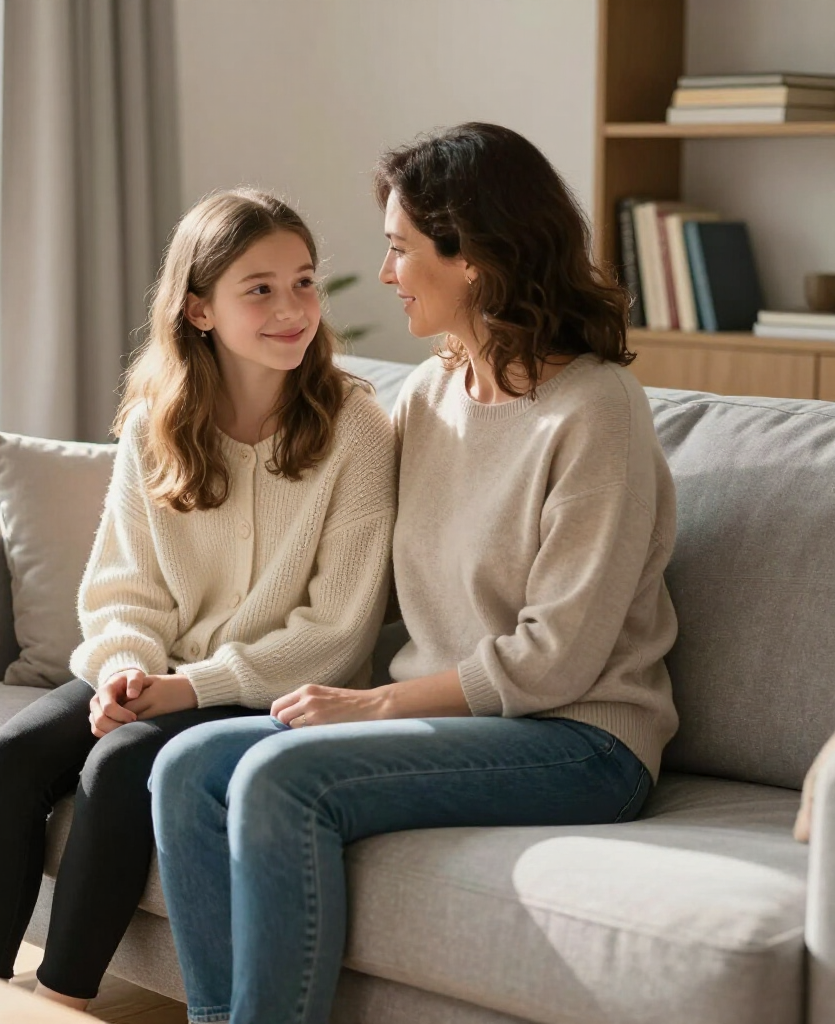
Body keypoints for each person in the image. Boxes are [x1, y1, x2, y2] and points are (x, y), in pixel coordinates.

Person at [150, 123, 681, 1024]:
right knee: (187, 764)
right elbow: (347, 551)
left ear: (469, 257)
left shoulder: (596, 411)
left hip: (582, 740)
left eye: (400, 249)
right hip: (466, 722)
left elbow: (557, 659)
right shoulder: (430, 397)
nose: (387, 272)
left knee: (283, 779)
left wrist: (373, 705)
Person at [0, 188, 397, 1010]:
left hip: (265, 686)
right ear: (198, 308)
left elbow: (336, 633)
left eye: (302, 281)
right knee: (13, 757)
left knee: (120, 765)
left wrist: (188, 688)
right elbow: (124, 587)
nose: (291, 308)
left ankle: (58, 998)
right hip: (159, 668)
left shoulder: (356, 428)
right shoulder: (161, 420)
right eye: (258, 288)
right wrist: (124, 671)